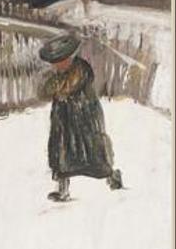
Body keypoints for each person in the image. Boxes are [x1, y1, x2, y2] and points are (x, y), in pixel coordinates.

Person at [38, 33, 123, 202]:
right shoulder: (57, 75)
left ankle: (112, 175)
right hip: (63, 119)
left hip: (84, 119)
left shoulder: (81, 69)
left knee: (92, 153)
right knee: (61, 152)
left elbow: (67, 88)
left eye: (60, 60)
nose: (57, 65)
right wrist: (55, 86)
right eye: (54, 62)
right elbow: (44, 91)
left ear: (68, 58)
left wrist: (57, 87)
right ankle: (62, 190)